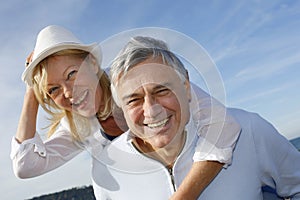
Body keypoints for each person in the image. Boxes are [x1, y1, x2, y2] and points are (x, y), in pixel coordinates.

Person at [10, 25, 241, 199]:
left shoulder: (134, 77)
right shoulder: (77, 127)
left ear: (92, 63)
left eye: (72, 74)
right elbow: (25, 165)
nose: (68, 92)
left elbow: (222, 125)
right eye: (53, 89)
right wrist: (32, 91)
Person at [92, 36, 300, 200]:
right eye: (134, 100)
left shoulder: (249, 130)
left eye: (162, 90)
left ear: (186, 87)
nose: (152, 110)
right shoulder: (106, 170)